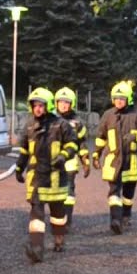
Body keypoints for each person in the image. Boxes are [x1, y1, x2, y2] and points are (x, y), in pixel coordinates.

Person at [14, 87, 79, 262]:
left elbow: (73, 145)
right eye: (35, 105)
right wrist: (19, 168)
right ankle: (37, 248)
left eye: (41, 105)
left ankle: (59, 240)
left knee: (58, 214)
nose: (37, 109)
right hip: (36, 178)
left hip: (57, 178)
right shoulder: (29, 126)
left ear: (49, 105)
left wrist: (63, 156)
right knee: (36, 213)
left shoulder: (61, 125)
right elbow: (24, 151)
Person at [91, 80, 137, 234]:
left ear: (128, 99)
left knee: (128, 193)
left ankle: (126, 215)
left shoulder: (136, 115)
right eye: (116, 98)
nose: (118, 100)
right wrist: (96, 154)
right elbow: (100, 137)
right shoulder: (108, 115)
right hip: (113, 160)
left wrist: (136, 136)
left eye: (122, 98)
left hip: (131, 161)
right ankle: (115, 220)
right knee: (113, 191)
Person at [53, 86, 90, 227]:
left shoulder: (77, 124)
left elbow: (82, 144)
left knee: (68, 192)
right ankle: (56, 219)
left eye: (66, 102)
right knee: (53, 193)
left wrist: (85, 162)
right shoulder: (50, 119)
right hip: (53, 163)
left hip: (69, 163)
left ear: (72, 104)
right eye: (61, 101)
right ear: (56, 103)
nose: (63, 105)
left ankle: (66, 220)